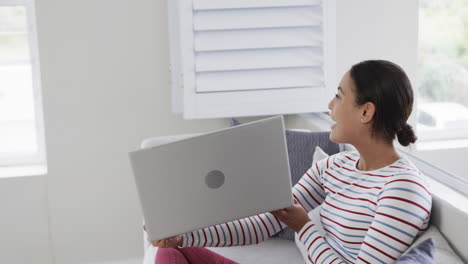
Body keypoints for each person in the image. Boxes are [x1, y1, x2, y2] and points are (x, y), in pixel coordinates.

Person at [147, 60, 432, 264]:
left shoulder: (403, 189)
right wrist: (183, 236)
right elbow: (264, 224)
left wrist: (305, 228)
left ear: (366, 112)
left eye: (339, 96)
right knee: (170, 253)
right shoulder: (334, 167)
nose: (330, 106)